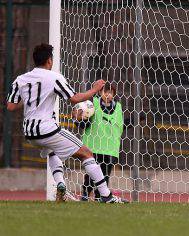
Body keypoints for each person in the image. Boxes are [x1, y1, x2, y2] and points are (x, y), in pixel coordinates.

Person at [6, 43, 127, 203]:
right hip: (46, 129)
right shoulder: (54, 77)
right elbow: (74, 99)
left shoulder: (20, 79)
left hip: (29, 133)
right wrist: (94, 89)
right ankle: (106, 196)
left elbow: (11, 106)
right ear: (49, 60)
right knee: (86, 153)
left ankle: (61, 185)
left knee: (52, 151)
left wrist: (31, 100)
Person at [72, 84, 124, 202]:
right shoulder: (92, 104)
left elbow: (120, 126)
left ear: (114, 94)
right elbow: (85, 124)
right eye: (106, 92)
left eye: (111, 92)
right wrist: (79, 120)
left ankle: (100, 196)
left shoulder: (118, 107)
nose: (108, 95)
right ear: (100, 92)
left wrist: (135, 120)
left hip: (110, 148)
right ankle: (85, 194)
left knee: (105, 173)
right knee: (92, 173)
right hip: (93, 147)